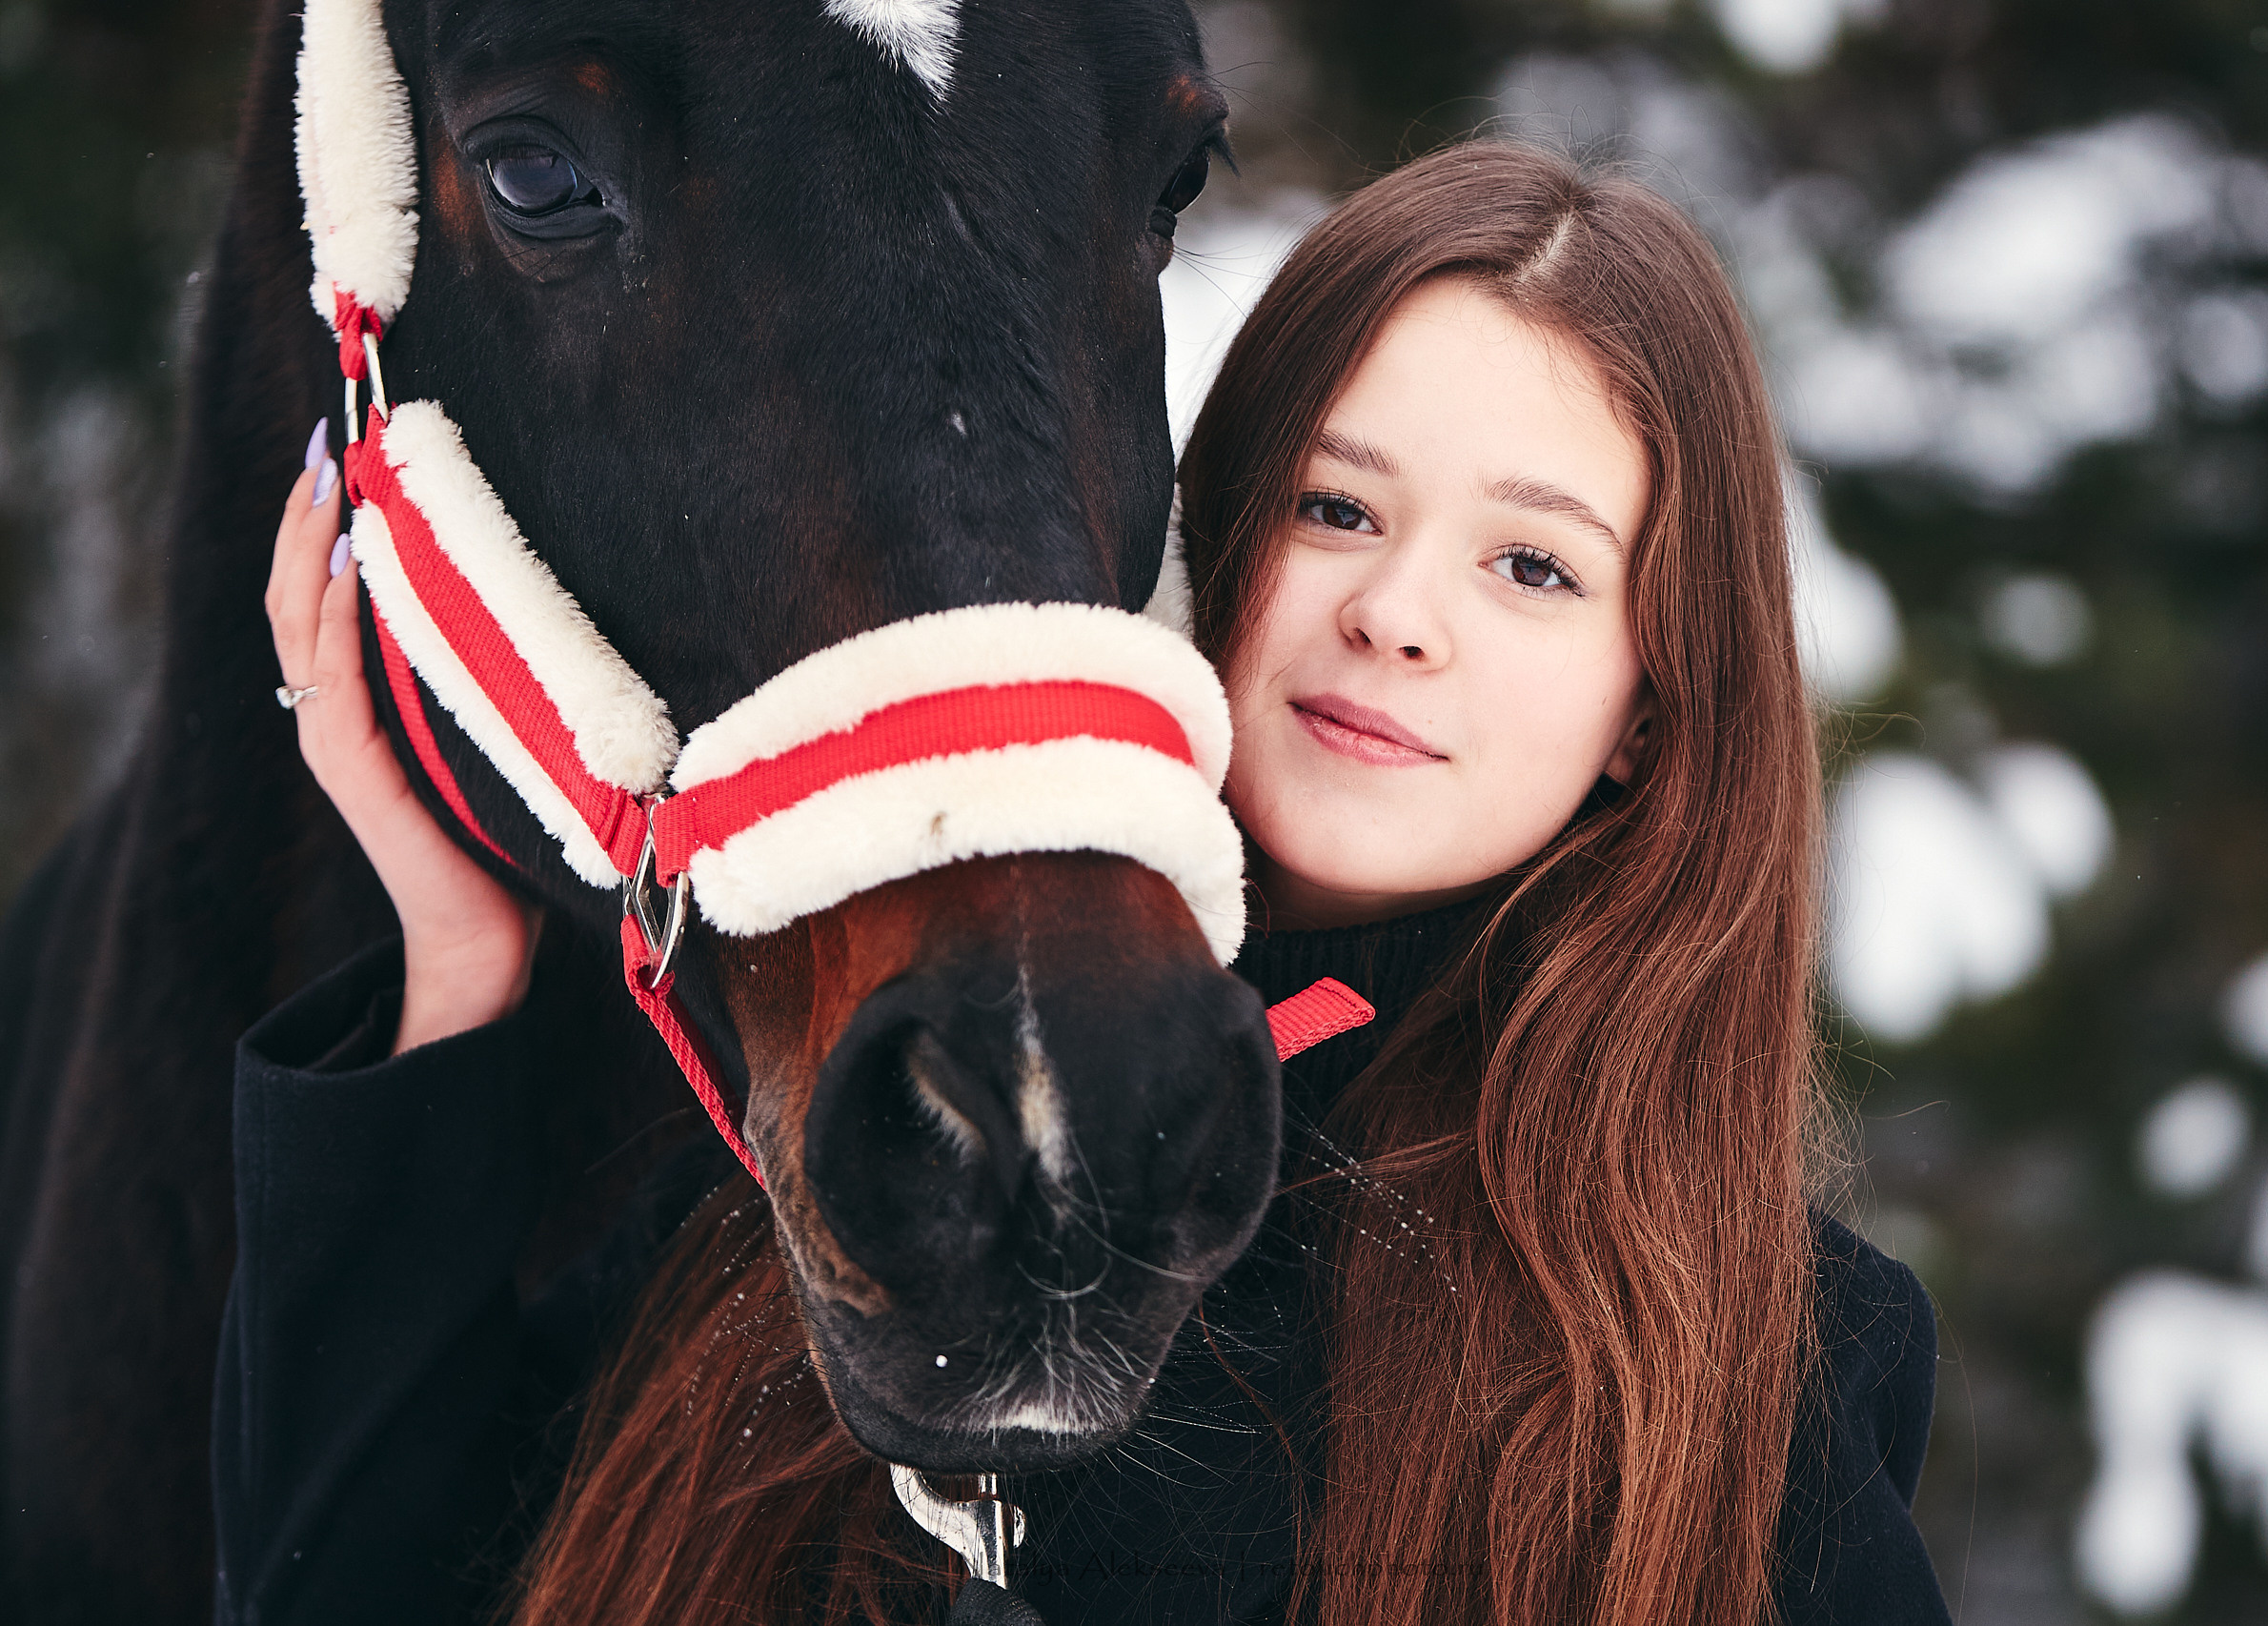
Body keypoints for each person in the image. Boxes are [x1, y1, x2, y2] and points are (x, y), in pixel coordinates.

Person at [222, 141, 1949, 1626]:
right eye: (1338, 507)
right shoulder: (889, 1098)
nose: (1397, 612)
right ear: (1195, 541)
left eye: (1530, 563)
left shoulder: (1751, 1366)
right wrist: (451, 950)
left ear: (1649, 707)